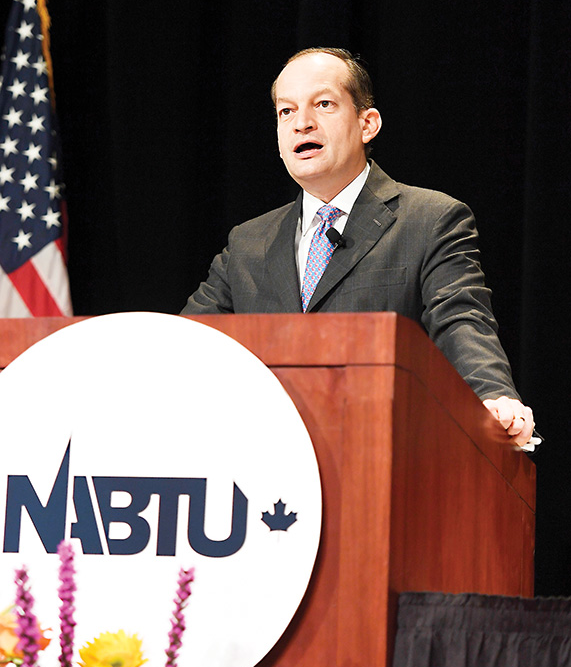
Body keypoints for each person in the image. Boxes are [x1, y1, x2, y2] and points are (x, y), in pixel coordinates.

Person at [182, 47, 535, 447]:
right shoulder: (248, 242)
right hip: (268, 455)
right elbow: (185, 341)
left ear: (367, 124)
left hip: (383, 450)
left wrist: (493, 397)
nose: (302, 123)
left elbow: (461, 320)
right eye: (286, 111)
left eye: (324, 104)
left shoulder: (429, 220)